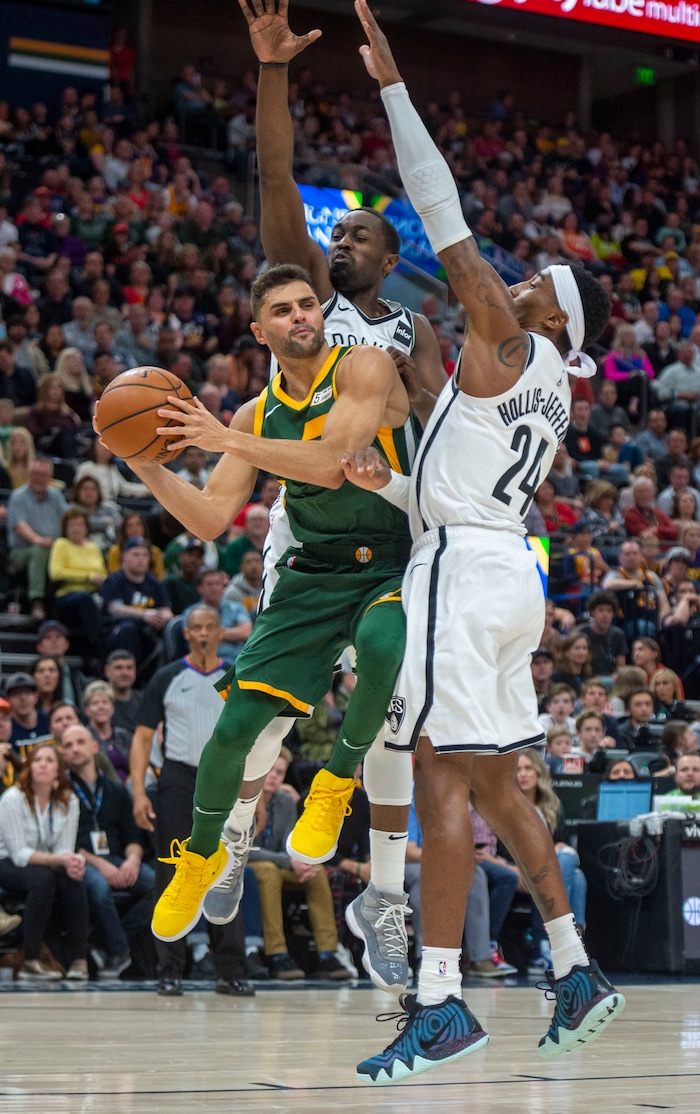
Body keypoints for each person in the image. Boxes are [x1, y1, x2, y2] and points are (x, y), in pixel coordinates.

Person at [341, 1, 623, 1082]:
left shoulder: (507, 338)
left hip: (464, 572)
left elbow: (437, 208)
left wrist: (393, 87)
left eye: (536, 283)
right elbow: (450, 445)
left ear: (551, 319)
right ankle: (573, 964)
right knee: (501, 783)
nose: (516, 279)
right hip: (503, 565)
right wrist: (399, 472)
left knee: (438, 775)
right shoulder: (535, 383)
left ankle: (441, 997)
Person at [129, 606, 256, 997]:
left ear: (222, 633)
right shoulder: (168, 677)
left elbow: (257, 736)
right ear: (186, 634)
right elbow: (143, 737)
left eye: (210, 627)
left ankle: (230, 969)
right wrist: (137, 790)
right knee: (173, 871)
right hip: (179, 779)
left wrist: (257, 793)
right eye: (196, 628)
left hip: (228, 779)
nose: (203, 633)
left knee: (228, 869)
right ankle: (169, 968)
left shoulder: (236, 677)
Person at [62, 722, 154, 979]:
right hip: (83, 860)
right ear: (63, 754)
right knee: (99, 889)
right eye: (68, 746)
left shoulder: (115, 790)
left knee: (159, 886)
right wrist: (100, 865)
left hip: (119, 858)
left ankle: (108, 945)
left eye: (80, 742)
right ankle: (120, 951)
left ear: (94, 746)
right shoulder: (62, 792)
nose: (75, 749)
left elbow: (133, 834)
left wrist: (133, 860)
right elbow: (64, 840)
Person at [248, 747, 350, 980]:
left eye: (280, 772)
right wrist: (288, 861)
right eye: (270, 770)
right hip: (249, 866)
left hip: (280, 865)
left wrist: (302, 863)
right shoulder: (244, 797)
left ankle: (327, 953)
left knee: (317, 872)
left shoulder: (285, 802)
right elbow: (244, 850)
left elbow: (288, 843)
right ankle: (277, 954)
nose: (274, 776)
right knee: (268, 872)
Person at [0, 742, 89, 980]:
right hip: (7, 861)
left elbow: (64, 849)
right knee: (42, 879)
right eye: (37, 760)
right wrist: (60, 860)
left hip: (47, 862)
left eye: (49, 760)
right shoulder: (13, 798)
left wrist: (71, 862)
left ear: (58, 771)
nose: (43, 764)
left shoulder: (69, 800)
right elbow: (19, 853)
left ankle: (79, 960)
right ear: (29, 767)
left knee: (73, 878)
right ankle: (31, 959)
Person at [7, 457, 67, 622]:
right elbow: (19, 526)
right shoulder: (18, 496)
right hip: (21, 552)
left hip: (52, 548)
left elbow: (67, 521)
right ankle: (36, 602)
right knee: (39, 551)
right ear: (29, 475)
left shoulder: (56, 496)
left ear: (50, 478)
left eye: (42, 474)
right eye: (35, 473)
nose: (38, 478)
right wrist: (38, 540)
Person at [100, 537, 173, 671]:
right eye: (136, 554)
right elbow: (114, 608)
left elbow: (166, 609)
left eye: (145, 555)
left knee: (174, 628)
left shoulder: (154, 582)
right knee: (129, 629)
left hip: (150, 629)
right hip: (118, 628)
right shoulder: (114, 580)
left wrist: (162, 617)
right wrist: (143, 614)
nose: (141, 559)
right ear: (124, 557)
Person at [577, 590, 629, 677]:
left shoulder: (618, 634)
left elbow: (621, 667)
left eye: (609, 611)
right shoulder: (580, 633)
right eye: (601, 610)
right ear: (592, 613)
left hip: (611, 679)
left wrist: (615, 677)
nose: (605, 615)